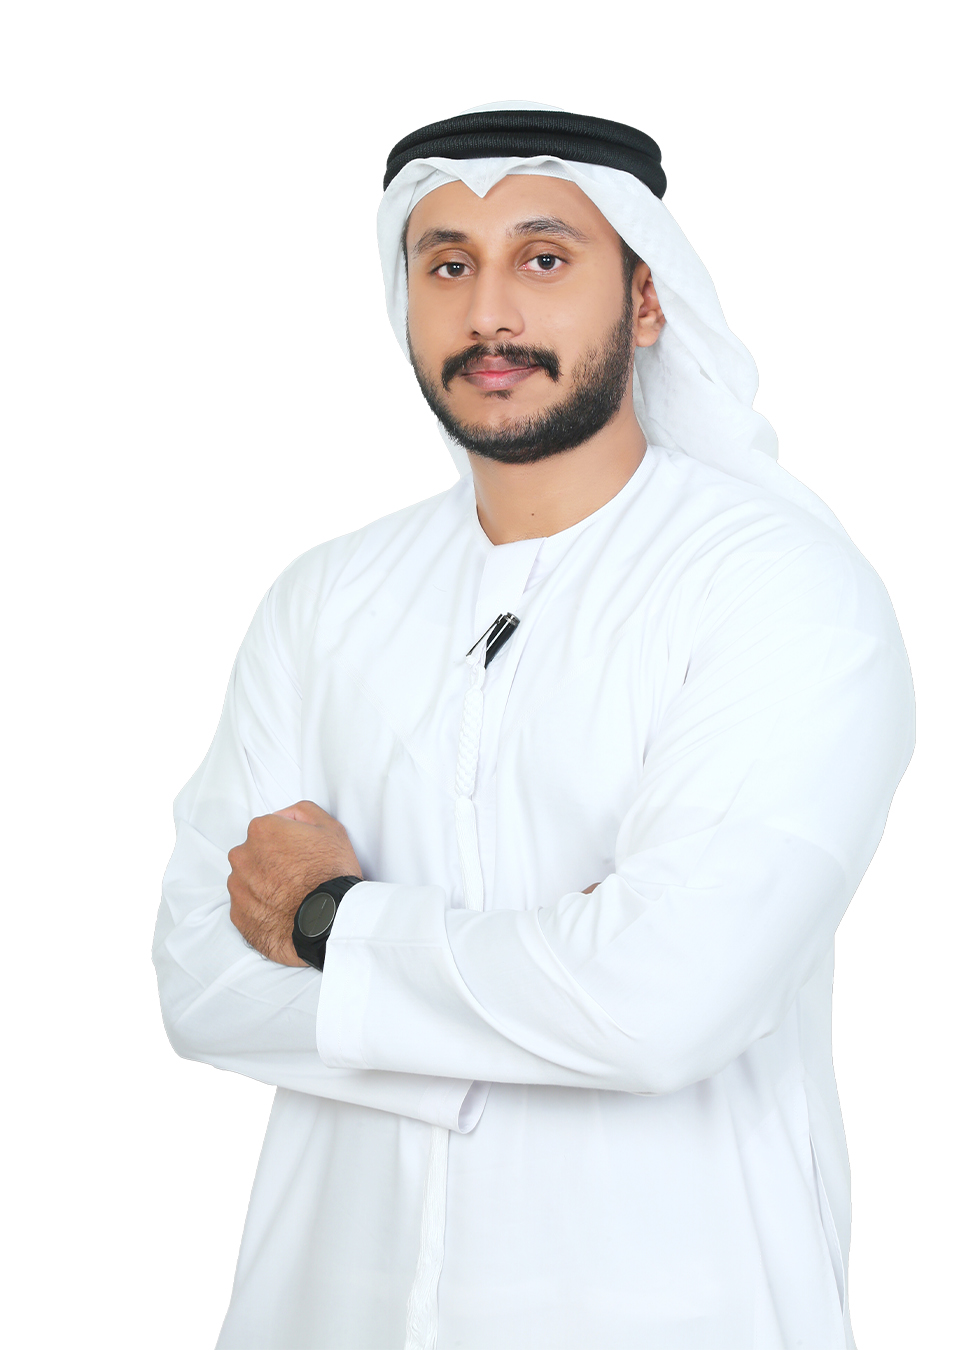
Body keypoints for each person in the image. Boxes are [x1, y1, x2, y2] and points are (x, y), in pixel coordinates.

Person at [155, 101, 915, 1350]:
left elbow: (664, 1002)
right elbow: (198, 980)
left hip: (671, 1312)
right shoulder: (325, 599)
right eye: (447, 264)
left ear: (648, 299)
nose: (489, 312)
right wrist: (556, 973)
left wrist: (326, 923)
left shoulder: (780, 589)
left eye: (544, 258)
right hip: (327, 1309)